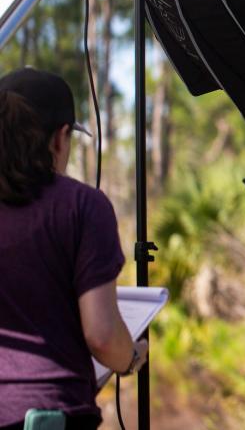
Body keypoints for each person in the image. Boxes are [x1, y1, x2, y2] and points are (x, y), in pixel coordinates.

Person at [0, 68, 148, 430]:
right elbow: (101, 334)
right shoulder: (81, 206)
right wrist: (129, 358)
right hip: (47, 415)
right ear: (60, 138)